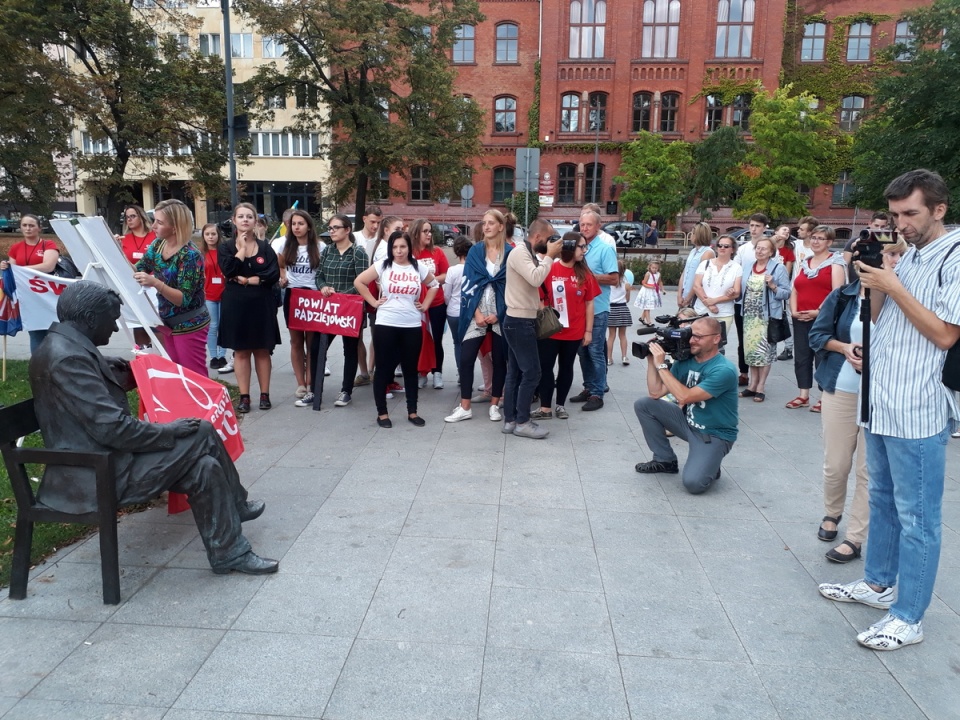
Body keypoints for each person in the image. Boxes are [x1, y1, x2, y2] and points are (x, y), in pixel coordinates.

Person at [29, 282, 278, 575]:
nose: (113, 328)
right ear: (91, 319)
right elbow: (114, 430)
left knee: (205, 467)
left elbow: (93, 391)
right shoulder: (68, 358)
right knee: (200, 431)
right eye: (112, 319)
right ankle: (237, 509)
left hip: (102, 457)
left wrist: (120, 371)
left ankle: (229, 552)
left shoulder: (67, 346)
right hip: (94, 472)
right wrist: (170, 431)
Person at [818, 169, 960, 650]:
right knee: (880, 498)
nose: (901, 224)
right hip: (878, 398)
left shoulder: (954, 257)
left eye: (911, 214)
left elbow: (944, 333)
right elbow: (879, 316)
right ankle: (878, 585)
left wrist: (894, 285)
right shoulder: (913, 255)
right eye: (895, 215)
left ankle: (909, 616)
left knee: (918, 517)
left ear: (939, 209)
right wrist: (874, 279)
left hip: (917, 406)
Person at [633, 317, 738, 494]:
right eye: (690, 335)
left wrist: (662, 367)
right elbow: (655, 392)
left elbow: (684, 397)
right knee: (645, 404)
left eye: (698, 337)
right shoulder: (686, 361)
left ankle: (711, 462)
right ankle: (664, 460)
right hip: (689, 424)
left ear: (716, 338)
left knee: (694, 484)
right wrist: (652, 360)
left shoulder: (723, 370)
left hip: (714, 434)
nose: (691, 340)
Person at [808, 276, 870, 563]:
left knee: (868, 472)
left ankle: (855, 538)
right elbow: (817, 336)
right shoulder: (844, 296)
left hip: (882, 395)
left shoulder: (901, 297)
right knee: (836, 464)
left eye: (895, 255)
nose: (890, 261)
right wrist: (844, 347)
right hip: (841, 389)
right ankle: (832, 512)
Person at [354, 230, 438, 428]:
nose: (399, 251)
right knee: (383, 369)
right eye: (395, 247)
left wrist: (425, 304)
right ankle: (382, 413)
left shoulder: (418, 267)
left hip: (411, 324)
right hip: (386, 324)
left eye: (402, 247)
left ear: (409, 247)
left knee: (410, 370)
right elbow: (359, 282)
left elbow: (434, 284)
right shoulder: (383, 265)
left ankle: (412, 411)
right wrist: (374, 302)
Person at [446, 210, 512, 423]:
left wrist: (498, 315)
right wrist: (478, 313)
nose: (486, 227)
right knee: (466, 357)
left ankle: (495, 404)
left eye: (491, 223)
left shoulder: (511, 253)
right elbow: (468, 284)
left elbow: (513, 287)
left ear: (501, 226)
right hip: (477, 312)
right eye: (484, 223)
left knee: (500, 360)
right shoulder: (476, 251)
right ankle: (465, 406)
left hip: (501, 313)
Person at [133, 199, 210, 377]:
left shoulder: (190, 255)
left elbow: (183, 299)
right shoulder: (158, 245)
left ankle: (205, 405)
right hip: (168, 322)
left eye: (159, 222)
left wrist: (156, 283)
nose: (153, 226)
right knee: (176, 375)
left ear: (175, 227)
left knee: (194, 377)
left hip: (190, 323)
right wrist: (115, 252)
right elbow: (139, 268)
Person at [218, 202, 282, 414]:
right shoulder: (226, 247)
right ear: (234, 220)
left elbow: (272, 274)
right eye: (241, 216)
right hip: (236, 305)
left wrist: (250, 280)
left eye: (249, 216)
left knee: (263, 350)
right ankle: (245, 396)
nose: (245, 220)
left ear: (255, 221)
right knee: (241, 351)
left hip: (261, 304)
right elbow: (229, 271)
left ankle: (265, 394)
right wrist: (243, 249)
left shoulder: (265, 247)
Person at [502, 219, 562, 439]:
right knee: (532, 372)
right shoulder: (520, 253)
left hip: (518, 320)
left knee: (516, 373)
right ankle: (522, 422)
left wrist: (546, 258)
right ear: (538, 238)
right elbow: (536, 279)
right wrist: (549, 257)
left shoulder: (526, 253)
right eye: (549, 239)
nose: (551, 244)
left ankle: (511, 420)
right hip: (519, 322)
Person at [532, 232, 600, 421]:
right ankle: (545, 407)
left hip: (574, 332)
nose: (584, 251)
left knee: (566, 367)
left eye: (585, 247)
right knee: (546, 368)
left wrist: (588, 331)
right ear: (569, 246)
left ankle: (560, 405)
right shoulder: (549, 269)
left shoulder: (585, 273)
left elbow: (589, 303)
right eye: (581, 246)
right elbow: (538, 297)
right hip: (550, 331)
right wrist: (544, 316)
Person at [785, 225, 845, 413]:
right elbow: (795, 289)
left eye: (820, 238)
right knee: (802, 356)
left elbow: (836, 294)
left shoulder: (835, 263)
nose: (816, 241)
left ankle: (822, 397)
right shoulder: (805, 262)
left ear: (829, 242)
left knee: (822, 357)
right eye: (814, 237)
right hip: (800, 316)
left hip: (823, 319)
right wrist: (793, 311)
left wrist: (817, 312)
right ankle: (803, 395)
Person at [312, 213, 368, 409]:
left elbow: (362, 281)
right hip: (328, 310)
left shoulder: (358, 253)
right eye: (330, 227)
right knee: (317, 347)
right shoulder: (327, 251)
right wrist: (323, 287)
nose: (332, 231)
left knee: (350, 349)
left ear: (347, 230)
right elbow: (319, 275)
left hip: (350, 309)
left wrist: (341, 295)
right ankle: (314, 389)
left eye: (336, 227)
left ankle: (346, 390)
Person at [569, 210, 619, 412]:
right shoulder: (579, 248)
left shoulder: (605, 249)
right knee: (582, 352)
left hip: (597, 308)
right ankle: (588, 388)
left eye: (589, 225)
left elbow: (614, 279)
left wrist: (588, 277)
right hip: (579, 310)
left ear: (598, 226)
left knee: (595, 350)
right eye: (582, 224)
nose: (584, 228)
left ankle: (598, 392)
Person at [738, 237, 791, 402]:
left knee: (765, 352)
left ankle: (761, 386)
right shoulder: (748, 266)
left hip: (766, 316)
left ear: (771, 252)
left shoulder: (778, 268)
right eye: (758, 248)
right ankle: (752, 385)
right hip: (749, 316)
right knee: (752, 352)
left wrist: (773, 285)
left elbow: (787, 292)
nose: (759, 251)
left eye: (764, 249)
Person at [279, 210, 322, 405]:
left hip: (313, 296)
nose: (296, 227)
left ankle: (311, 381)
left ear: (309, 226)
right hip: (293, 295)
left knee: (311, 342)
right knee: (296, 341)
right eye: (293, 224)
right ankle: (300, 383)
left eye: (300, 223)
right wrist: (282, 277)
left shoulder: (320, 246)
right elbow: (279, 266)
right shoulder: (283, 244)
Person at [0, 214, 59, 353]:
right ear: (20, 227)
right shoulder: (15, 248)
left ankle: (55, 365)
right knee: (35, 331)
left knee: (53, 332)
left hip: (47, 293)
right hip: (27, 295)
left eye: (31, 225)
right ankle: (38, 369)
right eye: (24, 225)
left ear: (39, 228)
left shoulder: (48, 244)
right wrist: (5, 266)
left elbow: (48, 266)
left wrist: (20, 269)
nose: (28, 228)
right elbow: (13, 272)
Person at [361, 215, 404, 392]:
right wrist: (377, 299)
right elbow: (377, 277)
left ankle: (388, 379)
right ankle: (383, 383)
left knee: (393, 345)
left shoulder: (390, 248)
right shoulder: (383, 251)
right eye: (397, 229)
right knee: (385, 345)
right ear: (386, 231)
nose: (401, 232)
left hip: (393, 304)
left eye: (403, 229)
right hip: (386, 305)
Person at [409, 218, 449, 390]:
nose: (429, 234)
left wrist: (429, 280)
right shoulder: (410, 253)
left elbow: (447, 274)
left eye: (430, 231)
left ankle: (437, 372)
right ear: (416, 233)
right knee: (418, 340)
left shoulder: (438, 252)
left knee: (437, 338)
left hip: (437, 303)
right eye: (425, 231)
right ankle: (421, 372)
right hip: (415, 305)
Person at [732, 213, 771, 386]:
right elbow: (736, 271)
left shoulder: (770, 247)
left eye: (757, 226)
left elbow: (774, 270)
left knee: (760, 339)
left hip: (762, 302)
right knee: (743, 338)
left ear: (764, 228)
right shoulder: (743, 249)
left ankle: (759, 380)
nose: (753, 229)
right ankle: (744, 372)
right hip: (743, 301)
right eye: (752, 225)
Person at [352, 205, 381, 383]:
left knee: (376, 332)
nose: (375, 226)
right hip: (356, 291)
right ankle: (363, 371)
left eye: (378, 222)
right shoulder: (354, 238)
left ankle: (372, 369)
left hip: (375, 292)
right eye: (372, 222)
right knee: (356, 334)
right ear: (364, 219)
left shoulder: (382, 241)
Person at [692, 234, 741, 339]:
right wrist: (709, 304)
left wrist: (714, 301)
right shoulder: (705, 264)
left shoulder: (736, 267)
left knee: (718, 345)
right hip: (701, 311)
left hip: (724, 313)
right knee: (699, 343)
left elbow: (736, 293)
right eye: (720, 245)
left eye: (726, 246)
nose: (722, 248)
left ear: (732, 250)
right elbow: (696, 286)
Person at [200, 223, 229, 373]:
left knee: (224, 325)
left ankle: (222, 354)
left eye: (213, 234)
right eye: (208, 234)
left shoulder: (224, 251)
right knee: (213, 326)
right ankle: (213, 356)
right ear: (204, 236)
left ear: (218, 235)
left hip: (224, 293)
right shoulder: (201, 254)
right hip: (209, 294)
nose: (211, 237)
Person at [443, 236, 471, 378]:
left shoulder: (452, 271)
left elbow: (447, 294)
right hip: (470, 312)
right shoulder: (473, 269)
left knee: (457, 343)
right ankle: (468, 371)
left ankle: (462, 373)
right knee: (469, 344)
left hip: (453, 311)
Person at [843, 211, 890, 282]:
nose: (879, 229)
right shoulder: (855, 241)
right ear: (870, 223)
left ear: (886, 226)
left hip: (877, 281)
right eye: (876, 226)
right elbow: (844, 265)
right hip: (855, 281)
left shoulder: (887, 243)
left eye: (882, 227)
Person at [773, 224, 797, 361]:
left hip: (779, 287)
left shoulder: (788, 250)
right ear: (776, 231)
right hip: (764, 284)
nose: (787, 232)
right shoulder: (769, 246)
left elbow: (787, 271)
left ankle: (788, 348)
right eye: (784, 229)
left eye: (788, 231)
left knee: (785, 317)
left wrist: (777, 286)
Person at [678, 222, 715, 309]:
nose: (691, 235)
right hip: (685, 294)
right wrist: (679, 295)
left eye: (693, 233)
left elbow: (701, 280)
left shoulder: (707, 253)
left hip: (695, 298)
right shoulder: (693, 251)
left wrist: (688, 299)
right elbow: (685, 273)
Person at [606, 260, 634, 365]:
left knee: (611, 336)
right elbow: (627, 300)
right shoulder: (626, 284)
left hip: (611, 309)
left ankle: (608, 358)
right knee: (622, 335)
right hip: (622, 309)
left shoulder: (609, 283)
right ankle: (624, 357)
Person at [634, 260, 664, 327]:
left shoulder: (658, 274)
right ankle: (649, 322)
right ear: (650, 267)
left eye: (656, 268)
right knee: (647, 307)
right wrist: (651, 286)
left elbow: (660, 282)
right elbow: (644, 283)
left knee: (648, 306)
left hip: (653, 292)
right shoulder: (648, 274)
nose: (654, 269)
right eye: (653, 268)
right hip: (647, 291)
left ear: (658, 268)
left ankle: (642, 318)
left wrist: (662, 289)